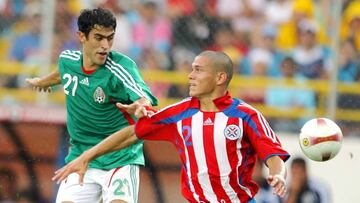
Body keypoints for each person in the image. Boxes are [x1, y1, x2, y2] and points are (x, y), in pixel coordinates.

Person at [52, 51, 290, 203]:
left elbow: (272, 153)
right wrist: (88, 155)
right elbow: (131, 134)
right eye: (191, 69)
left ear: (220, 78)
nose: (190, 76)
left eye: (198, 70)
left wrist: (277, 173)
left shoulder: (246, 115)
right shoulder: (179, 114)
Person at [26, 8, 157, 203]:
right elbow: (61, 73)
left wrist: (141, 105)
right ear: (81, 36)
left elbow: (142, 93)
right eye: (98, 38)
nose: (105, 45)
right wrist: (42, 82)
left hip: (119, 159)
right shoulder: (67, 61)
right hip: (81, 157)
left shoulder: (120, 68)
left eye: (110, 38)